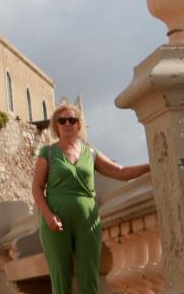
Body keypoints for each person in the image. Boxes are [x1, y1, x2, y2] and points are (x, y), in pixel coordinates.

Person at [33, 102, 149, 294]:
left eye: (73, 120)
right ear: (56, 126)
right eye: (62, 120)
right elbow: (37, 188)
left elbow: (121, 172)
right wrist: (48, 216)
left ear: (79, 125)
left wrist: (150, 165)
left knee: (89, 278)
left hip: (88, 221)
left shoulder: (91, 152)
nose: (68, 123)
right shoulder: (49, 152)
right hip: (55, 221)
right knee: (61, 280)